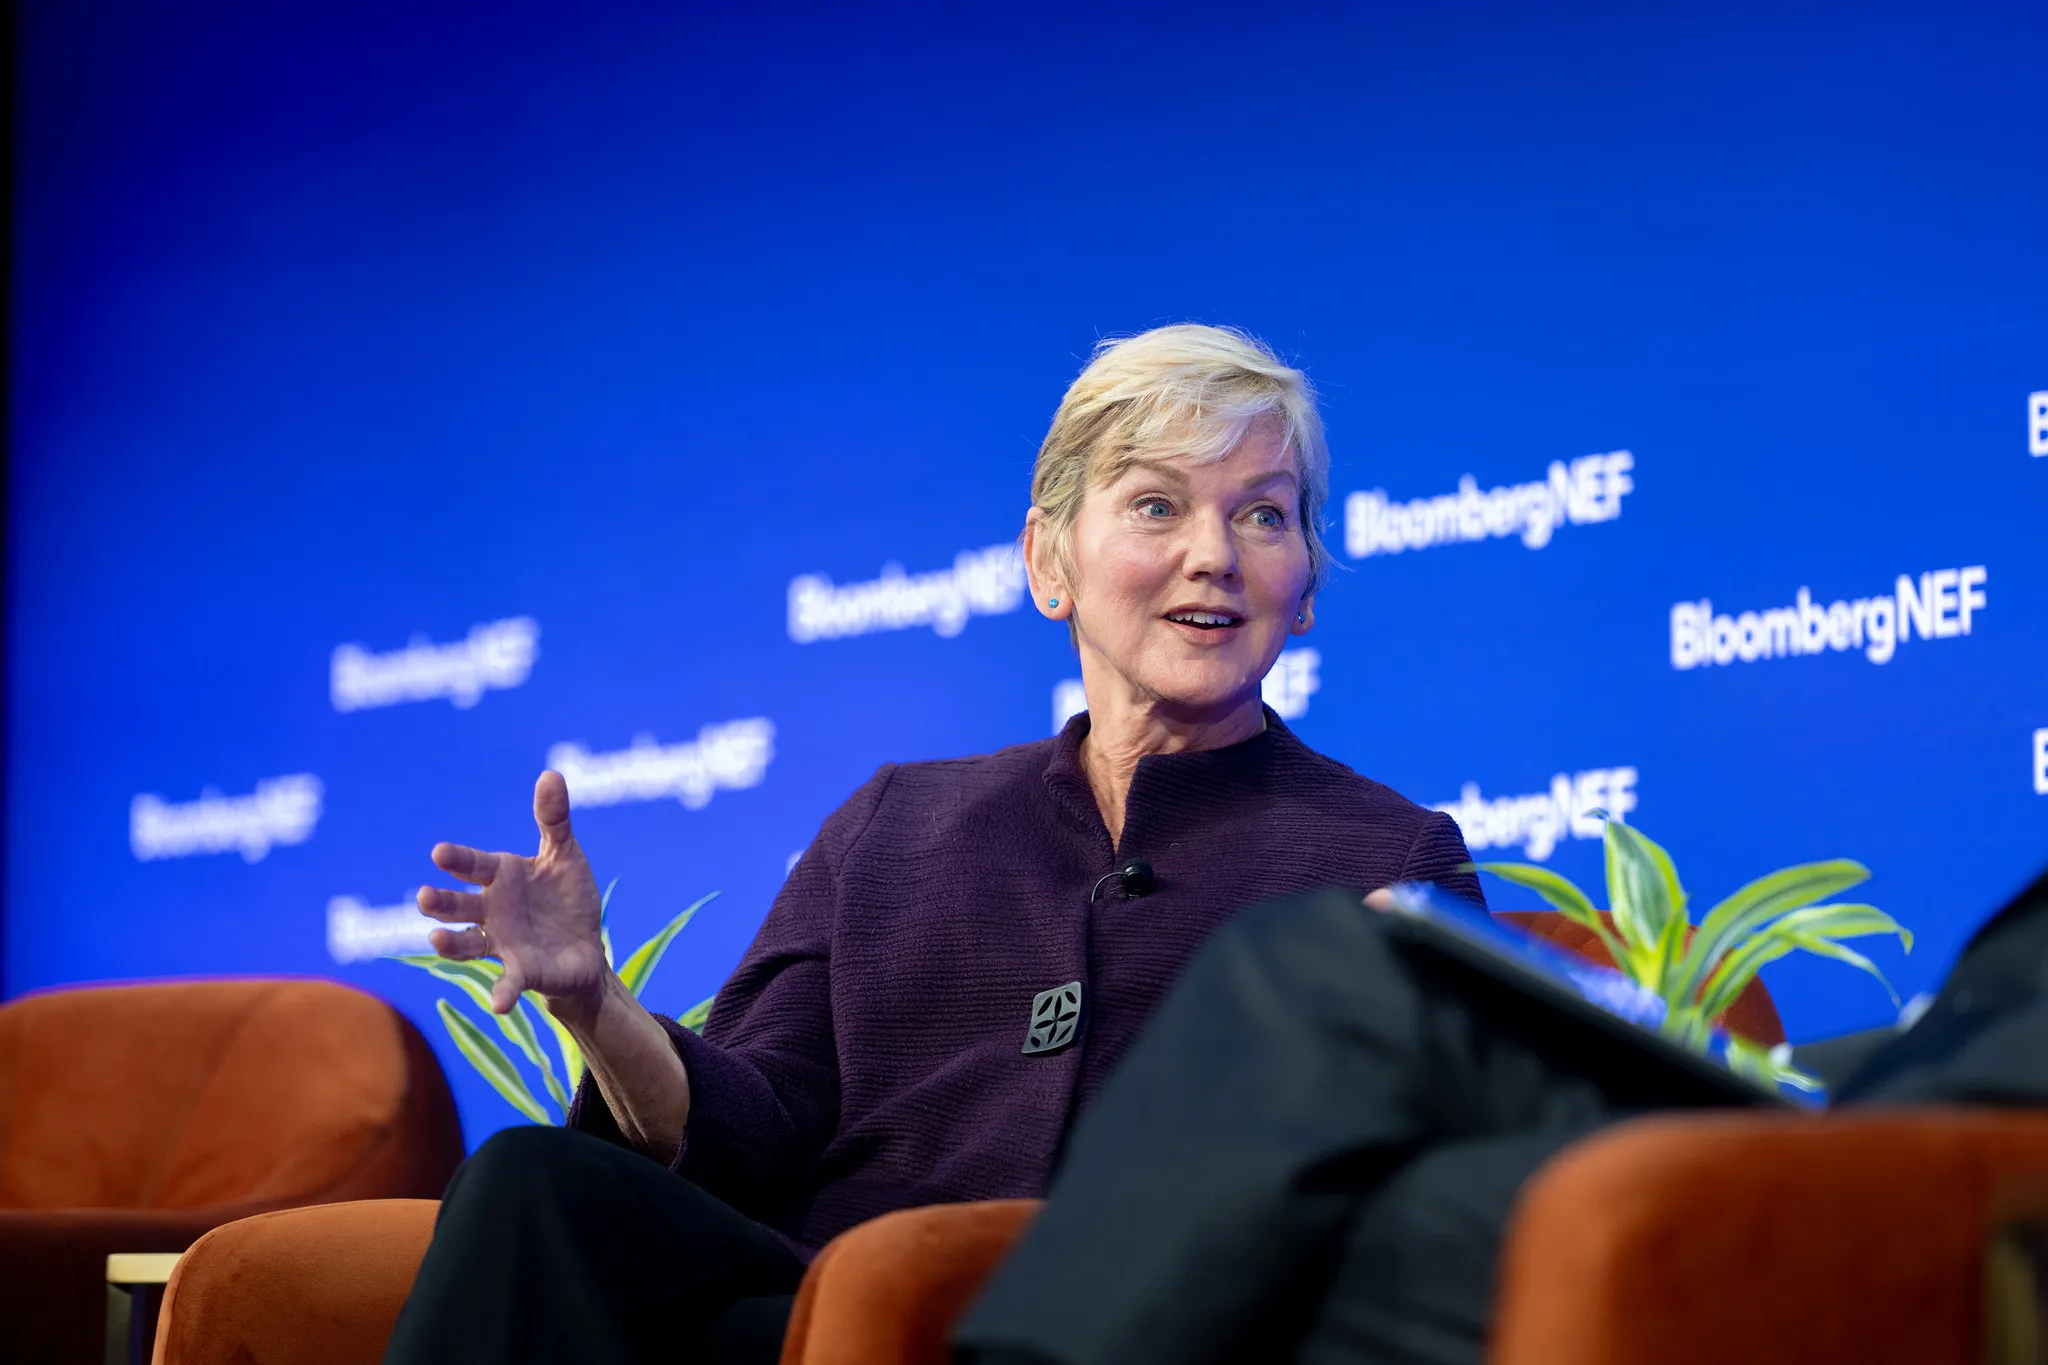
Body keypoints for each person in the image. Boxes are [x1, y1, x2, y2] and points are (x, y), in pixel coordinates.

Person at [383, 324, 1484, 1365]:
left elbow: (1433, 1216)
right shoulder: (892, 827)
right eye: (1156, 506)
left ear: (1303, 592)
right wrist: (593, 1003)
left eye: (1262, 515)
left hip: (1136, 1329)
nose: (1213, 555)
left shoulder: (1385, 861)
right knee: (535, 1183)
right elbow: (750, 1132)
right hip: (818, 1312)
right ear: (1047, 563)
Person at [949, 864, 2048, 1365]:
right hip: (1867, 1090)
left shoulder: (1367, 818)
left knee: (1343, 1198)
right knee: (1325, 966)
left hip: (1951, 1146)